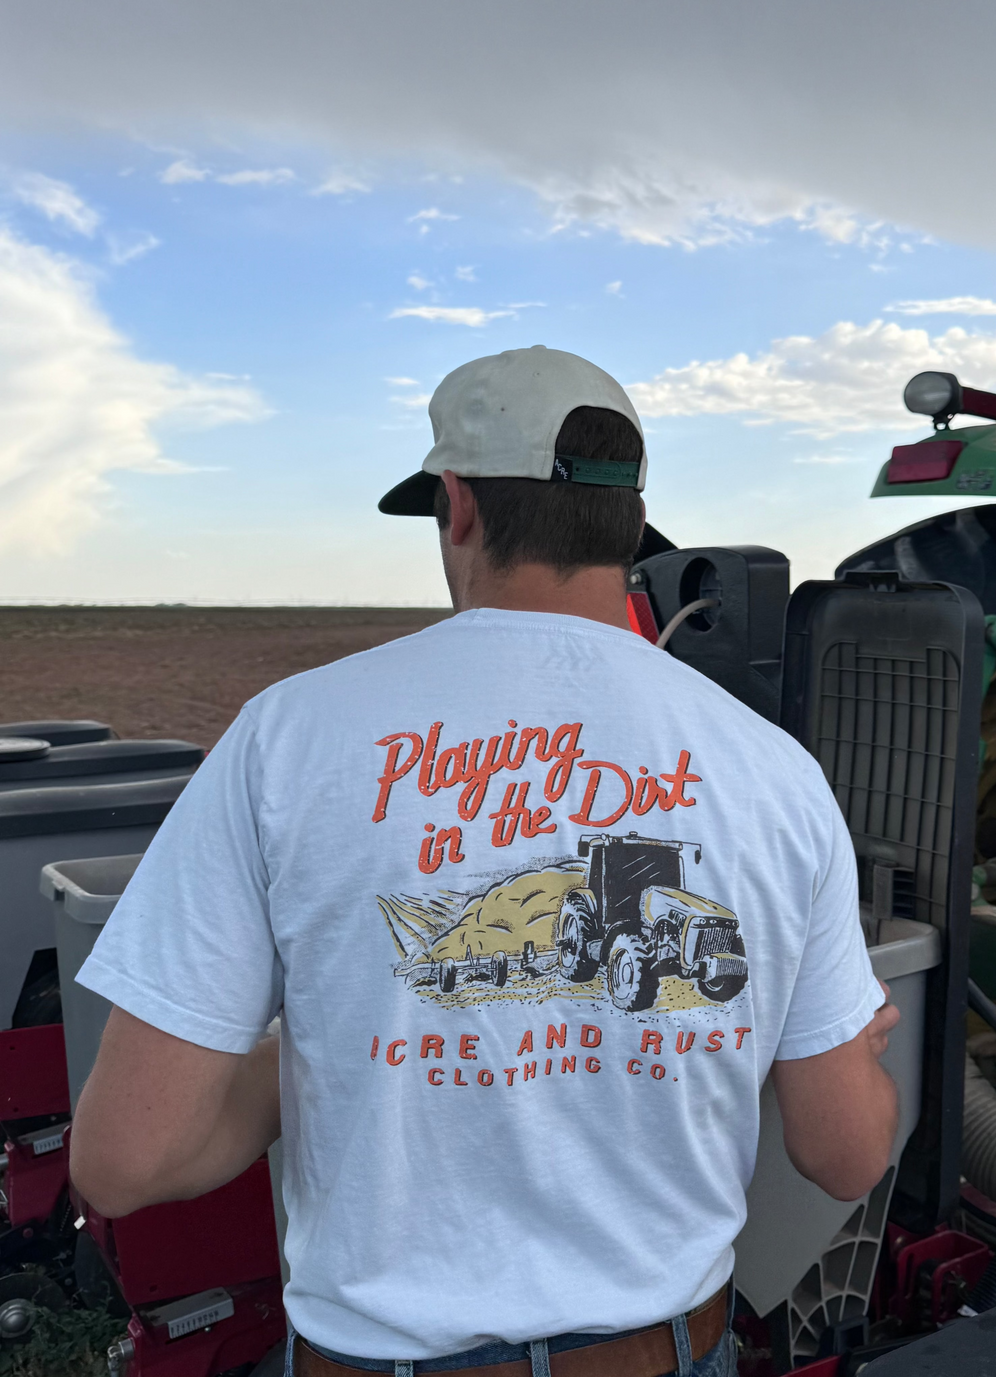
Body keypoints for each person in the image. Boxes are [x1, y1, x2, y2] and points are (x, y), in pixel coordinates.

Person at [70, 345, 900, 1377]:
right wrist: (846, 1050)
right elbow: (845, 1152)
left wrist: (327, 1044)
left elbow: (122, 1159)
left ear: (456, 505)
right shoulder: (772, 772)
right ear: (631, 520)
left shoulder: (288, 738)